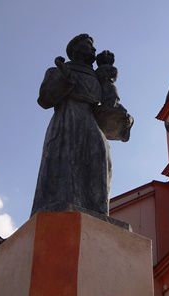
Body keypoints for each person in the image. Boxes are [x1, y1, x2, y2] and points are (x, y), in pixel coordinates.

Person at [31, 34, 111, 216]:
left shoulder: (96, 76)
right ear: (75, 50)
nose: (93, 50)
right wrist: (65, 77)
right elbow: (45, 99)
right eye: (88, 45)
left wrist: (107, 71)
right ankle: (60, 206)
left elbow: (109, 103)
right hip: (67, 119)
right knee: (66, 163)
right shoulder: (57, 70)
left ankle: (96, 212)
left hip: (91, 122)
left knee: (98, 160)